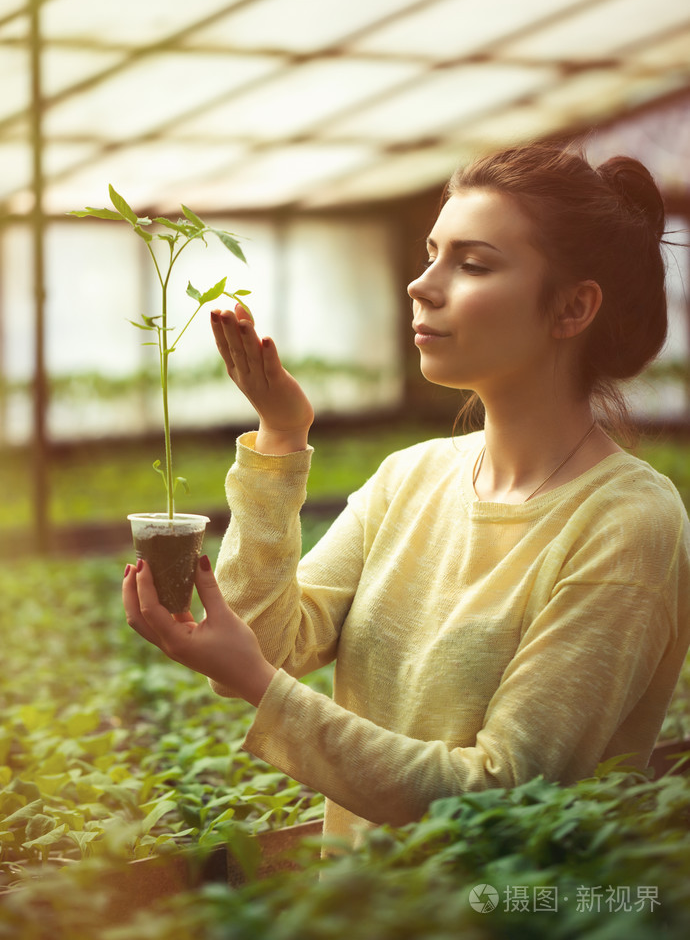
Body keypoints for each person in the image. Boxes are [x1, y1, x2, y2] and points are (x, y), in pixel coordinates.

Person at [124, 143, 690, 847]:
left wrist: (261, 688)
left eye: (473, 263)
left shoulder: (629, 523)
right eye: (431, 255)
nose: (422, 285)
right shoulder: (409, 478)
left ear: (572, 307)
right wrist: (279, 437)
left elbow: (504, 797)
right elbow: (267, 641)